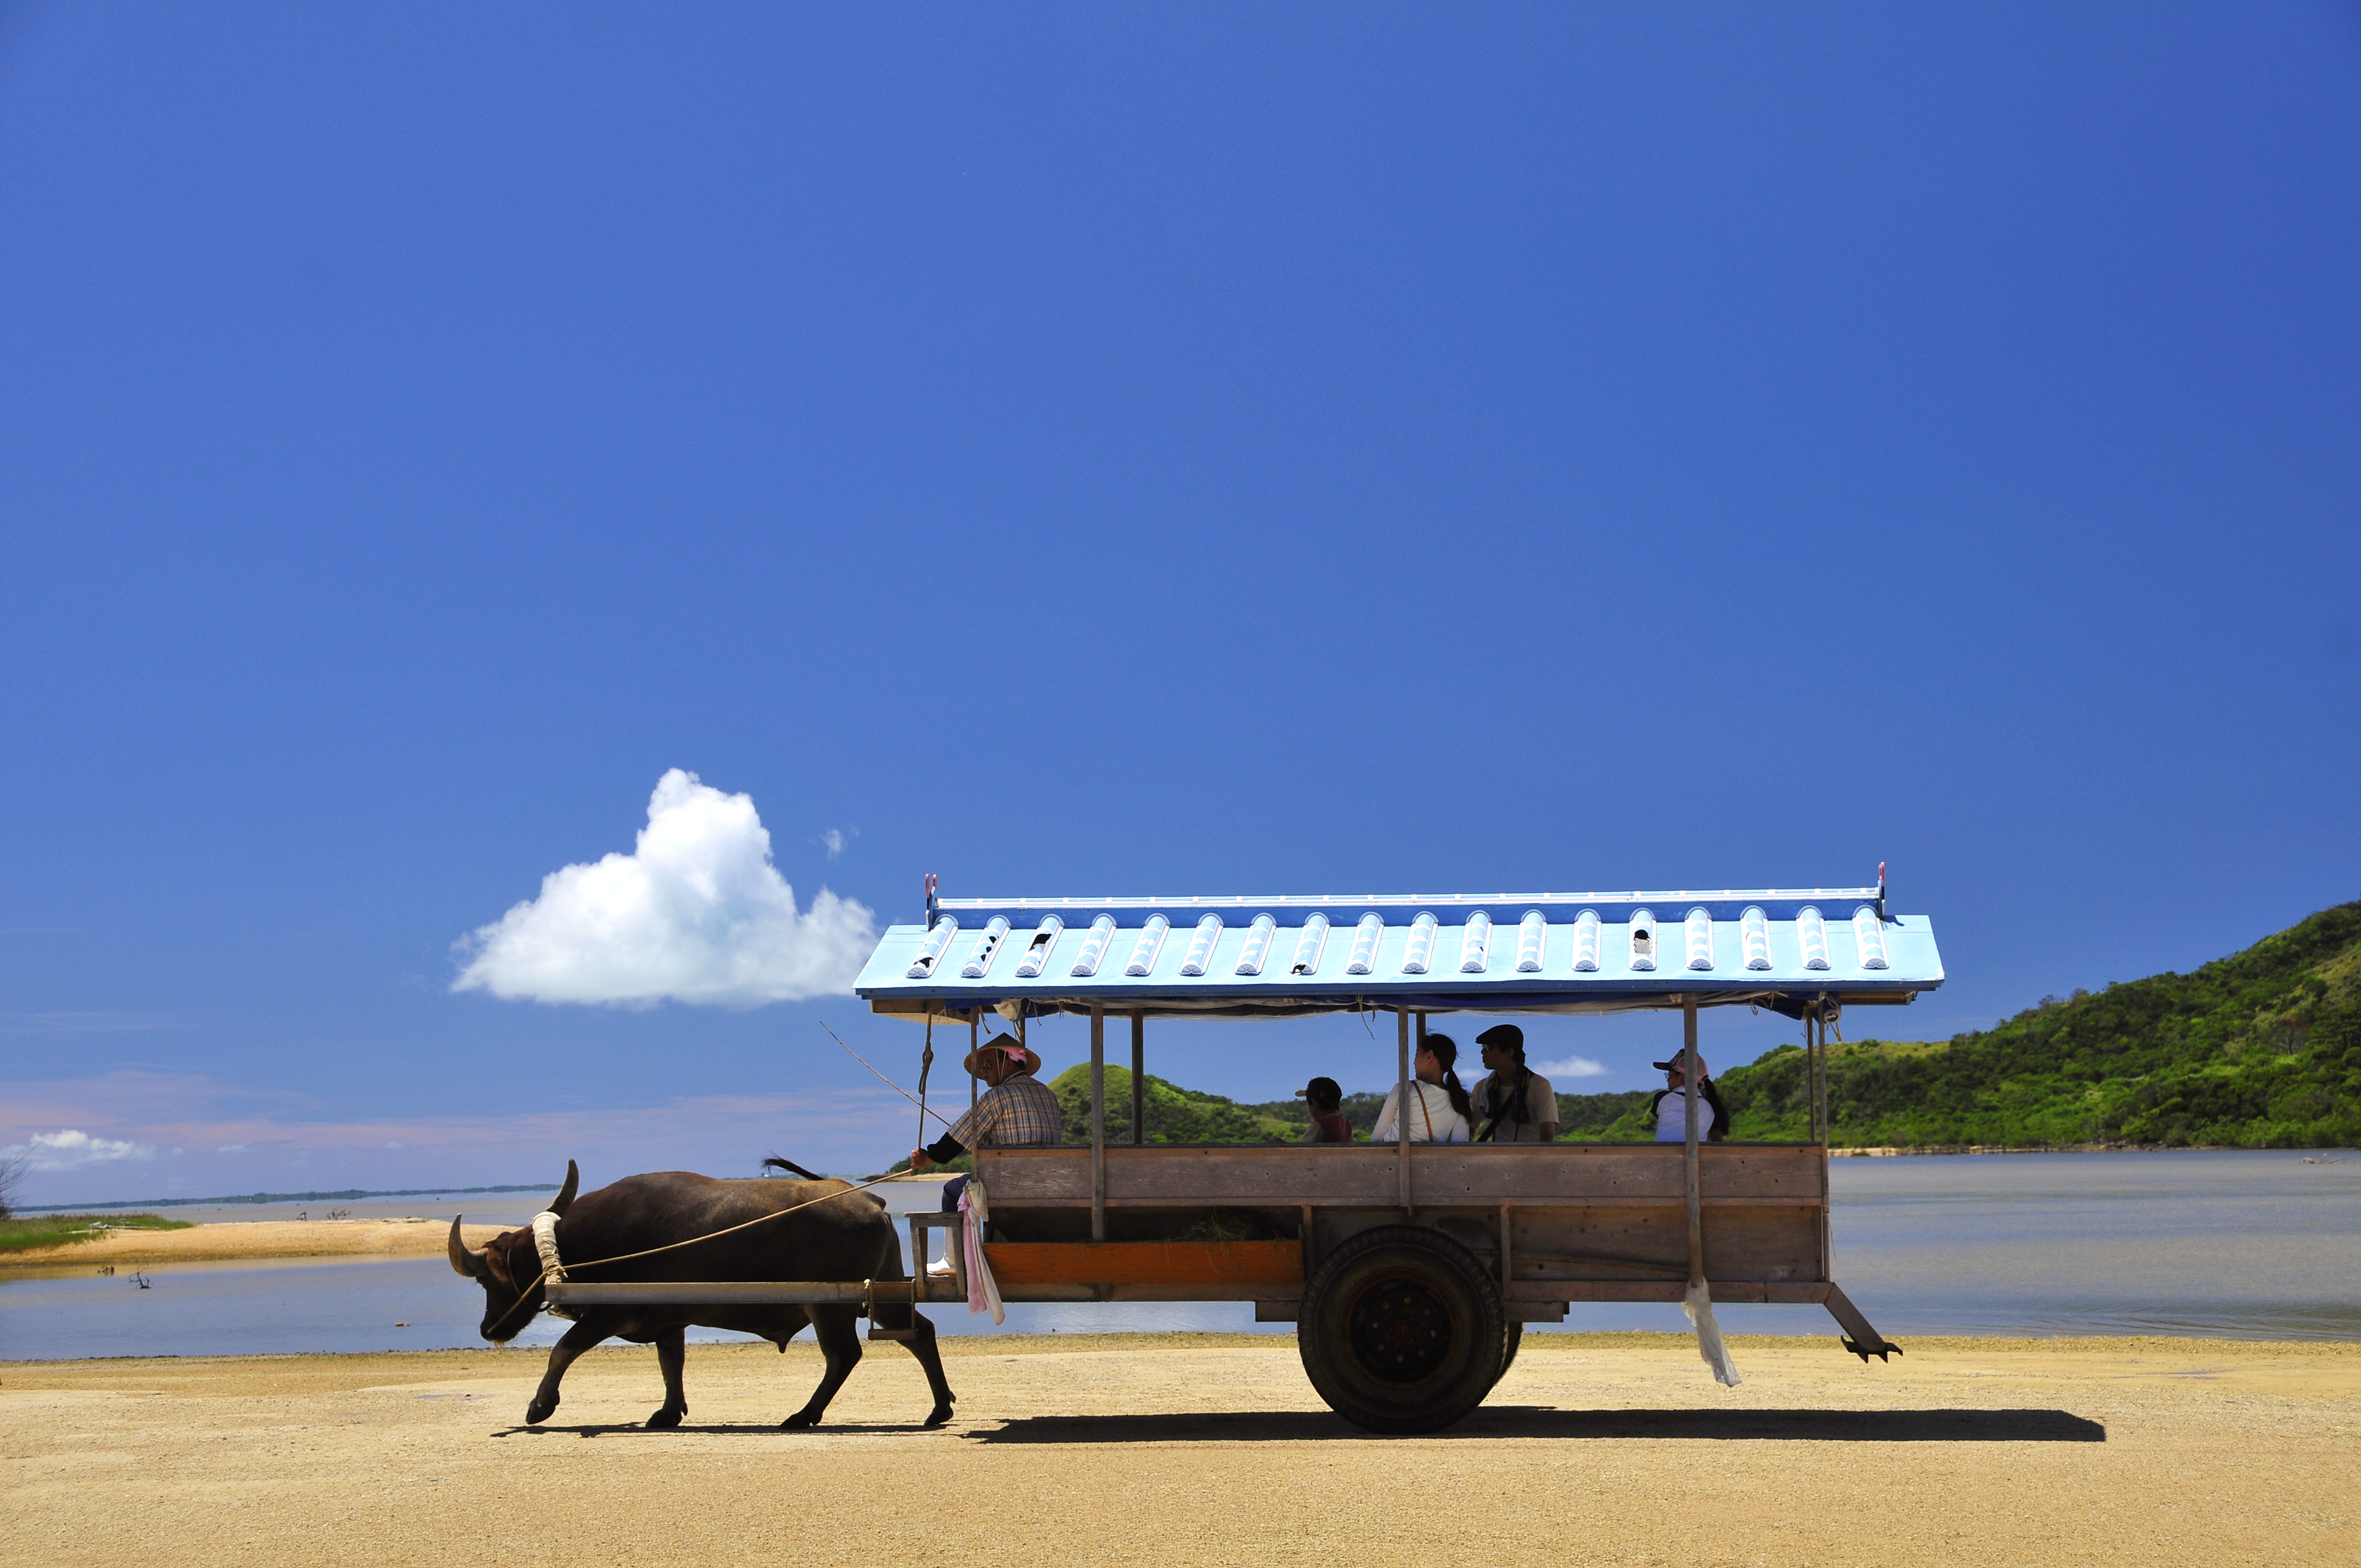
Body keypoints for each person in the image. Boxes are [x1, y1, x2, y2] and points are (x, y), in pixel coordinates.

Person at [909, 1033, 1062, 1272]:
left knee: (952, 1191)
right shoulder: (1049, 1095)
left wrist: (928, 1157)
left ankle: (954, 1261)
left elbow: (954, 1143)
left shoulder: (997, 1097)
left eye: (988, 1065)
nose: (984, 1072)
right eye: (982, 1067)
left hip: (1011, 1186)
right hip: (1051, 1185)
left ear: (1008, 1063)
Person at [1370, 1033, 1472, 1144]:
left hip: (1392, 1159)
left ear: (1429, 1056)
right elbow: (1458, 1147)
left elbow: (1377, 1138)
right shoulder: (1460, 1100)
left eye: (1417, 1055)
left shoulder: (1404, 1089)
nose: (1414, 1062)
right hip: (1431, 1161)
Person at [1468, 1023, 1558, 1143]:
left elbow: (1547, 1136)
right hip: (1496, 1160)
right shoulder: (1482, 1088)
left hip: (1530, 1159)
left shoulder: (1539, 1086)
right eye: (1483, 1047)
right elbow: (1470, 1130)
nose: (1483, 1052)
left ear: (1510, 1051)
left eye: (1489, 1047)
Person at [1650, 1053, 1731, 1144]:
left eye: (1670, 1076)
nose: (1668, 1080)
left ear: (1682, 1078)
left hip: (1664, 1157)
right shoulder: (1710, 1107)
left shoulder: (1662, 1098)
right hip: (1694, 1157)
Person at [1296, 1076, 1353, 1144]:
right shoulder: (1346, 1124)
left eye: (1307, 1103)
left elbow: (1299, 1150)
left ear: (1314, 1103)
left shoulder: (1319, 1125)